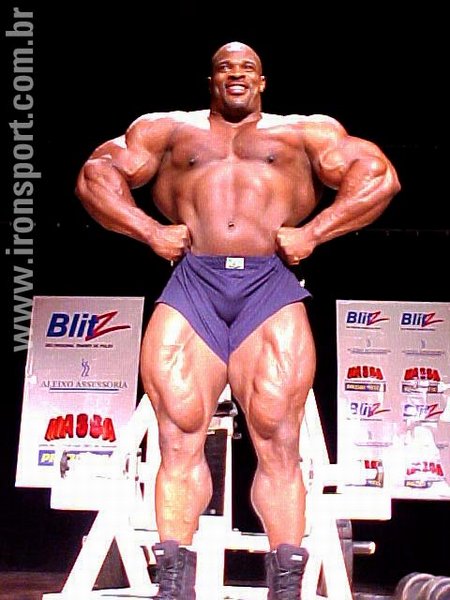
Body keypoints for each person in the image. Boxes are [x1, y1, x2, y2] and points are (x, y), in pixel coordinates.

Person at [75, 41, 400, 600]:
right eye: (225, 67)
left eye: (247, 68)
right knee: (177, 434)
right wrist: (148, 231)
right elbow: (94, 175)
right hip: (194, 284)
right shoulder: (168, 130)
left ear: (262, 81)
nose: (236, 75)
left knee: (278, 435)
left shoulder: (302, 131)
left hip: (267, 286)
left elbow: (378, 175)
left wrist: (315, 232)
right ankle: (172, 585)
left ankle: (285, 586)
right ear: (211, 80)